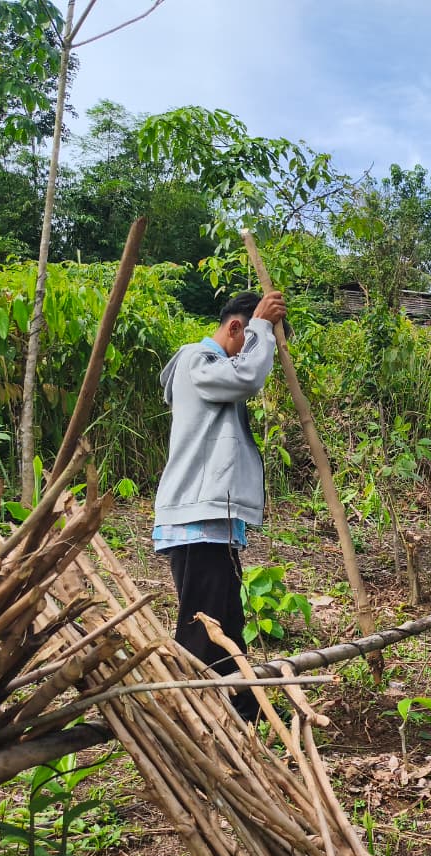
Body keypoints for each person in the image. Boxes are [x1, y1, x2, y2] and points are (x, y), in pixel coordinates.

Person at [152, 290, 287, 722]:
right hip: (199, 519)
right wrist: (263, 325)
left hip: (212, 520)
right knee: (203, 628)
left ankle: (245, 711)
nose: (254, 350)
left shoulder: (210, 367)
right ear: (235, 329)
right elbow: (247, 376)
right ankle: (184, 717)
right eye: (249, 338)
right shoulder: (198, 360)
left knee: (225, 624)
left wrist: (262, 332)